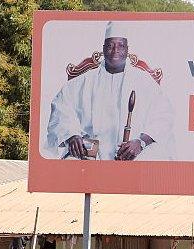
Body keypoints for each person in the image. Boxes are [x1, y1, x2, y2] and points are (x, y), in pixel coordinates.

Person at [45, 21, 174, 161]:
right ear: (103, 48)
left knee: (152, 162)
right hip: (90, 149)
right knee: (71, 162)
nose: (115, 51)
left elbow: (164, 115)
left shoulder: (144, 82)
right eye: (110, 46)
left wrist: (141, 142)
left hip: (132, 149)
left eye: (121, 46)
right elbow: (62, 108)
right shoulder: (83, 82)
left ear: (127, 50)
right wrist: (71, 135)